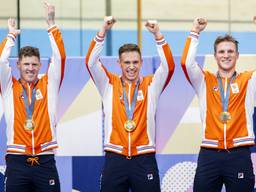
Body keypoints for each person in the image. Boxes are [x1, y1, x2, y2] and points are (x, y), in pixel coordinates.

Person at [86, 17, 175, 192]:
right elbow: (91, 62)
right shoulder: (108, 84)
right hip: (115, 157)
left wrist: (158, 35)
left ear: (141, 63)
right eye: (127, 62)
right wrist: (103, 30)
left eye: (135, 62)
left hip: (144, 158)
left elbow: (168, 67)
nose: (131, 67)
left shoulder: (151, 85)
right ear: (119, 63)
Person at [181, 17, 255, 192]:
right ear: (215, 56)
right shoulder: (204, 80)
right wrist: (195, 31)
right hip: (209, 154)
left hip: (239, 153)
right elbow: (187, 63)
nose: (226, 55)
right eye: (221, 52)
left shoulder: (249, 80)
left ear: (237, 55)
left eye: (230, 51)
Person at [0, 2, 66, 192]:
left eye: (34, 64)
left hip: (45, 160)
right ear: (18, 65)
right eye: (26, 64)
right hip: (17, 160)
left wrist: (51, 23)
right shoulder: (8, 85)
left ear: (40, 66)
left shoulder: (49, 83)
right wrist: (11, 35)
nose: (30, 68)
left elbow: (60, 57)